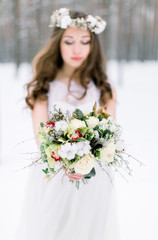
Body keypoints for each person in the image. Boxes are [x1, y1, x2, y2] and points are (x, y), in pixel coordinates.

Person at [15, 8, 119, 240]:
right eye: (69, 41)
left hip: (95, 176)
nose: (77, 49)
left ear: (93, 46)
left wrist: (86, 164)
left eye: (85, 41)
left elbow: (109, 134)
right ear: (57, 43)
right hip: (55, 174)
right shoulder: (43, 85)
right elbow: (41, 136)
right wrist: (67, 164)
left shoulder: (103, 86)